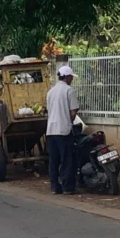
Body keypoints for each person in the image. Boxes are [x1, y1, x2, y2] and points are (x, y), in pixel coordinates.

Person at [46, 65, 81, 194]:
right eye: (71, 77)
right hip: (64, 130)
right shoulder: (69, 91)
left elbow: (49, 111)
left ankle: (55, 187)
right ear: (67, 77)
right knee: (67, 160)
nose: (72, 79)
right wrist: (70, 120)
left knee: (53, 160)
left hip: (51, 130)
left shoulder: (51, 92)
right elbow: (73, 112)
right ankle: (67, 187)